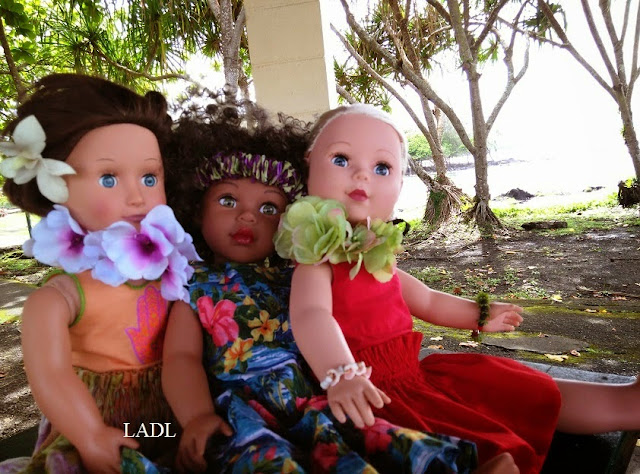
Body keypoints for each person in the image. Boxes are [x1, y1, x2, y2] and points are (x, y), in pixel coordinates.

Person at [275, 103, 640, 474]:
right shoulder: (317, 261)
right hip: (368, 395)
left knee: (523, 389)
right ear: (308, 166)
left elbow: (427, 299)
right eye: (341, 159)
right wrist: (341, 373)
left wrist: (479, 313)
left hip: (415, 377)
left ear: (399, 185)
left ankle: (628, 402)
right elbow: (311, 314)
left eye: (382, 167)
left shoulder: (376, 257)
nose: (361, 175)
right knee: (445, 446)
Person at [162, 95, 506, 473]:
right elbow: (181, 359)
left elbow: (387, 298)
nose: (247, 216)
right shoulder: (196, 286)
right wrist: (196, 416)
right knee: (272, 460)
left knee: (375, 440)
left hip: (316, 396)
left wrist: (478, 312)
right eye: (228, 200)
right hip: (249, 410)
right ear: (196, 208)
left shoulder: (298, 270)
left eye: (268, 208)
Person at [0, 74, 198, 473]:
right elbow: (51, 374)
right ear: (53, 187)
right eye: (109, 179)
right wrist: (90, 434)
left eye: (149, 177)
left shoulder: (173, 269)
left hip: (171, 418)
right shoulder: (60, 297)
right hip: (95, 423)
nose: (137, 196)